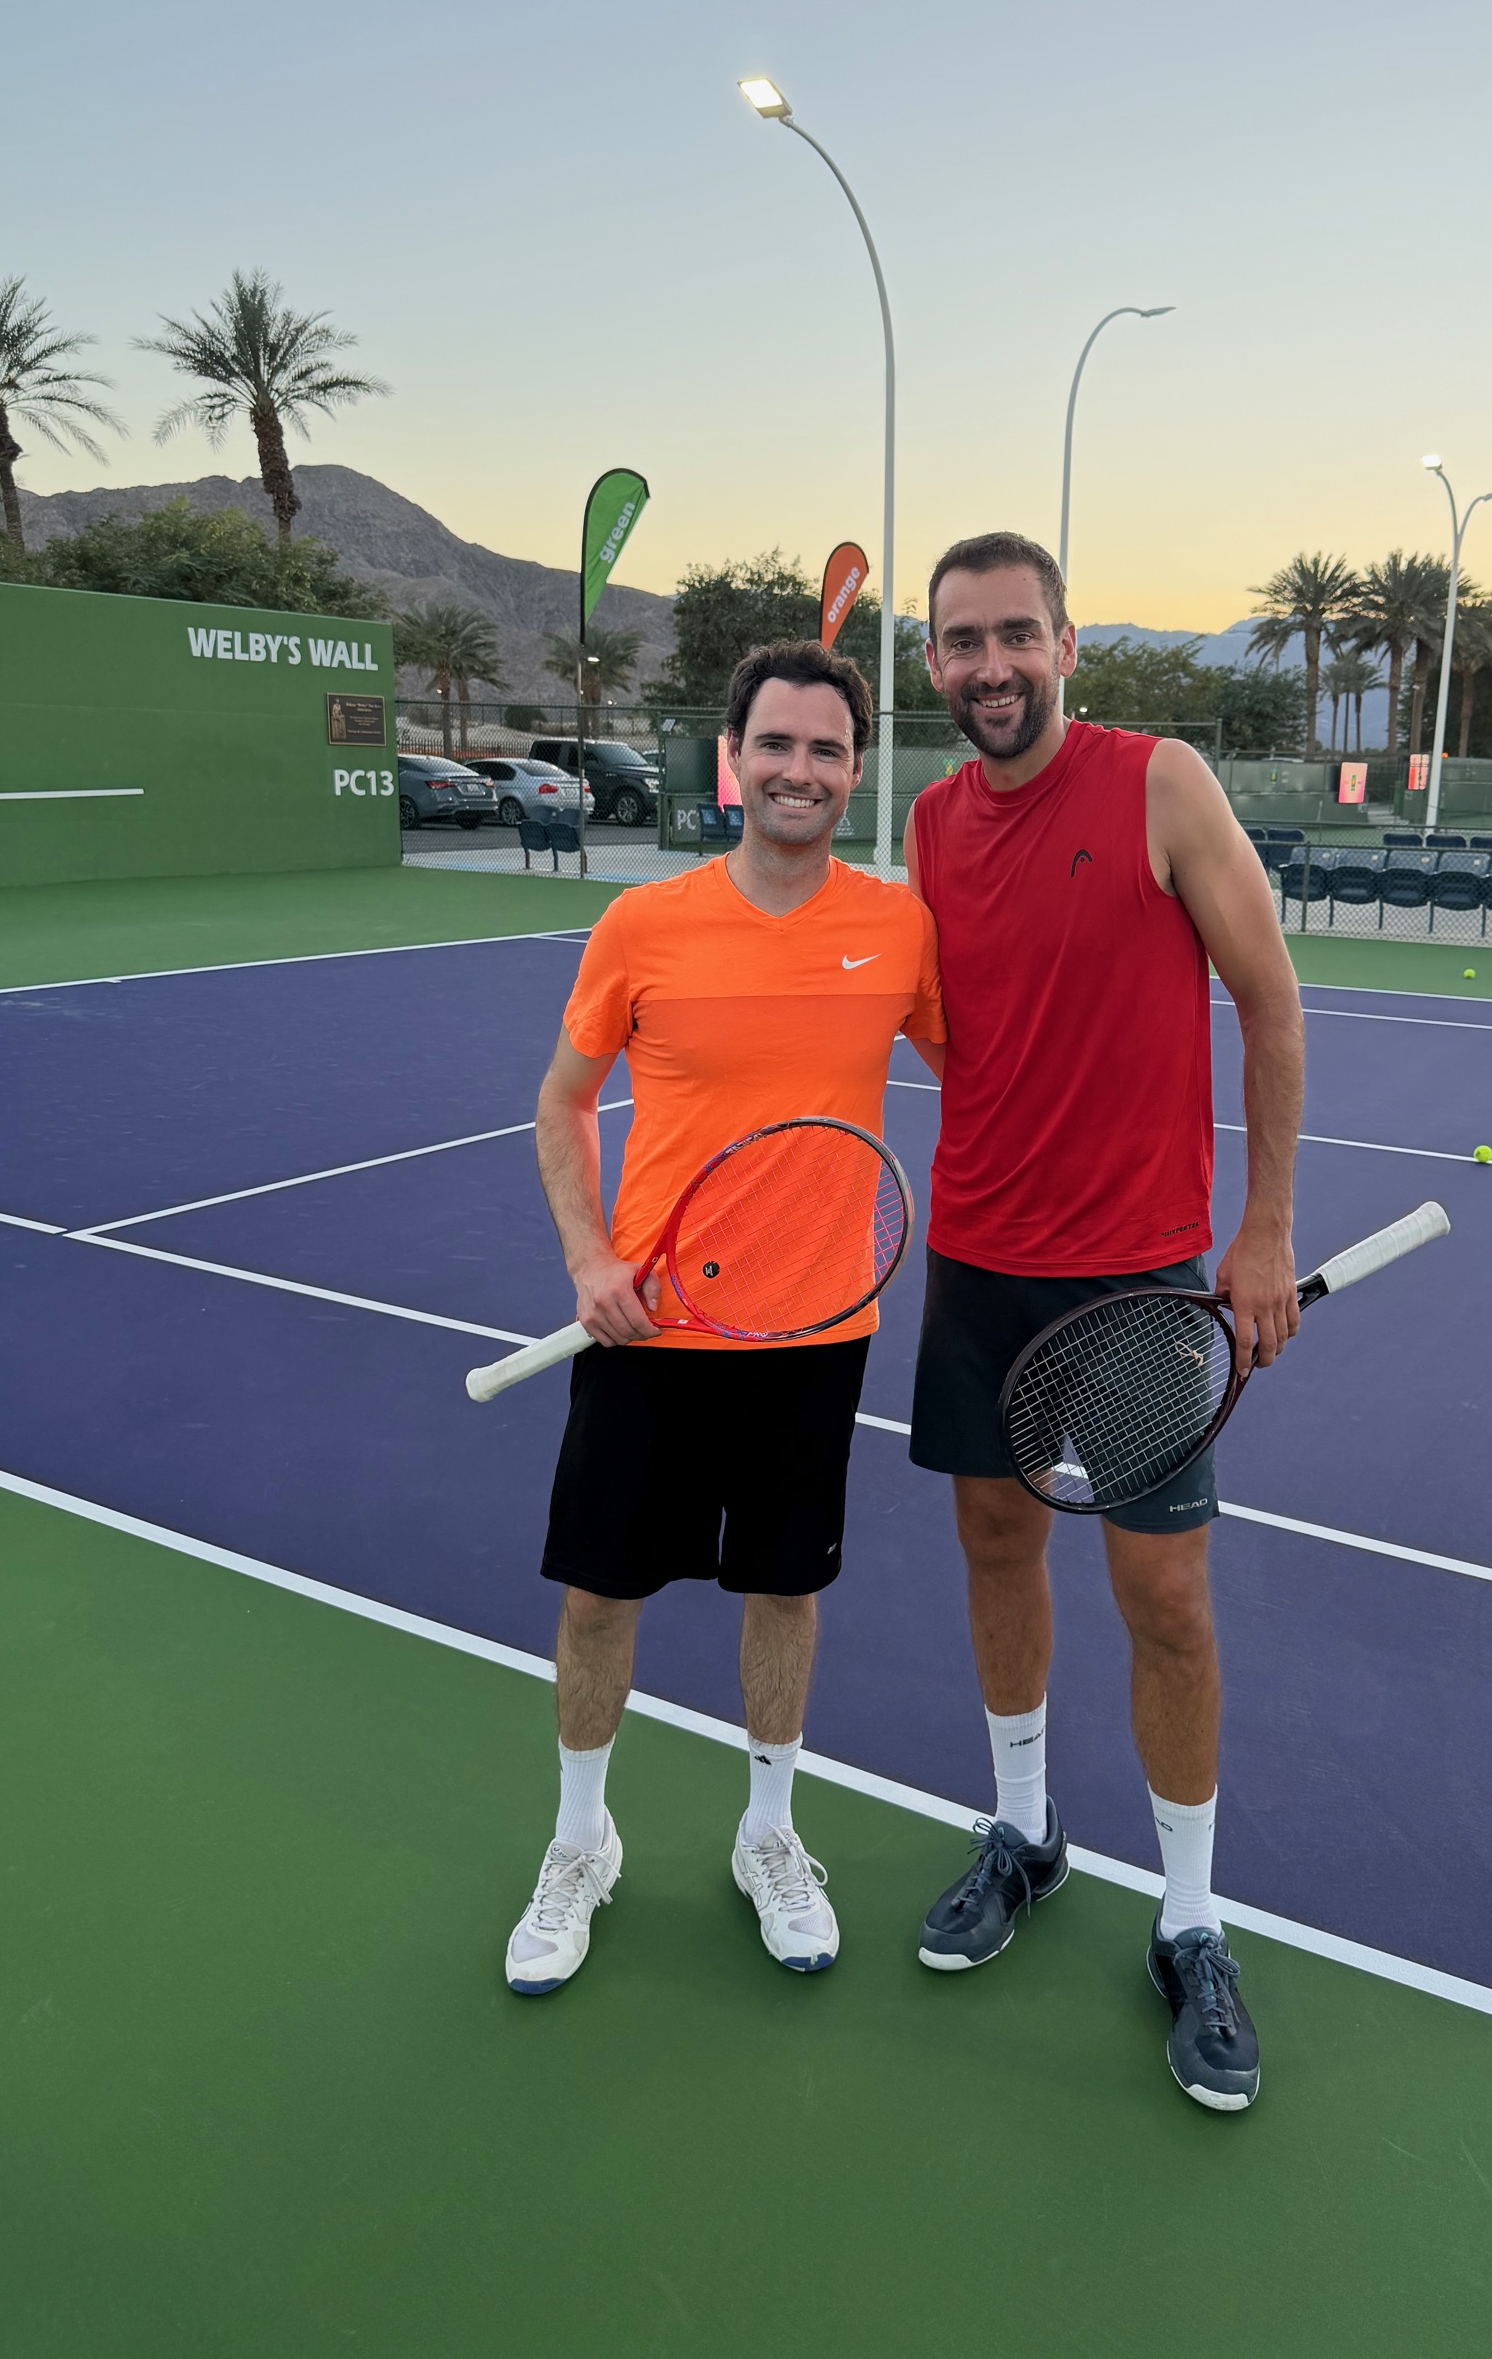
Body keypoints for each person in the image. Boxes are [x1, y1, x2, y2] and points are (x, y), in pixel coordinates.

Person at [904, 533, 1304, 2113]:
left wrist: (1260, 1227)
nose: (989, 665)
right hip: (980, 1270)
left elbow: (1269, 995)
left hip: (1142, 1282)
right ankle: (1024, 1832)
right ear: (934, 665)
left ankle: (1192, 1921)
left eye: (1015, 634)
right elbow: (956, 1026)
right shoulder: (931, 823)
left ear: (1067, 643)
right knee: (996, 1549)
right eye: (960, 643)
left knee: (1169, 1603)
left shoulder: (1161, 785)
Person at [505, 641, 944, 1994]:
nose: (798, 769)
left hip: (813, 1338)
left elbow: (998, 1077)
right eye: (777, 745)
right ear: (732, 760)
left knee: (782, 1591)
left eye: (825, 749)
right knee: (599, 1594)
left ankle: (769, 1833)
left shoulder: (901, 930)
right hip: (647, 1335)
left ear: (854, 773)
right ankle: (581, 1842)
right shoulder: (645, 925)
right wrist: (589, 1264)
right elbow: (563, 1103)